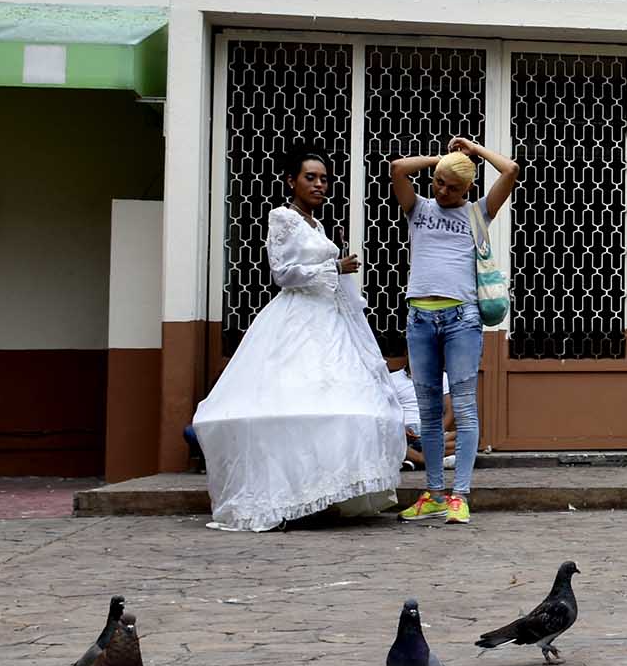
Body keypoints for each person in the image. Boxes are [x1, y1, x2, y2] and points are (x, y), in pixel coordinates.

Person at [191, 149, 405, 531]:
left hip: (330, 319)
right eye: (310, 177)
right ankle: (288, 496)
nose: (319, 184)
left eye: (323, 178)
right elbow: (283, 273)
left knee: (337, 403)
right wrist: (334, 266)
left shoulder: (317, 226)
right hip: (297, 318)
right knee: (292, 400)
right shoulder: (283, 218)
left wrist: (339, 273)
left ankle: (321, 489)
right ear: (292, 180)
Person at [390, 136, 519, 525]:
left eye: (453, 187)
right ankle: (432, 493)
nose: (443, 191)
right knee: (429, 411)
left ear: (469, 189)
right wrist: (442, 159)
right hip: (420, 319)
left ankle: (459, 495)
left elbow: (511, 171)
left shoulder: (479, 214)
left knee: (462, 407)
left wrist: (475, 151)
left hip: (462, 319)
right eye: (439, 182)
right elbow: (397, 169)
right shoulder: (419, 209)